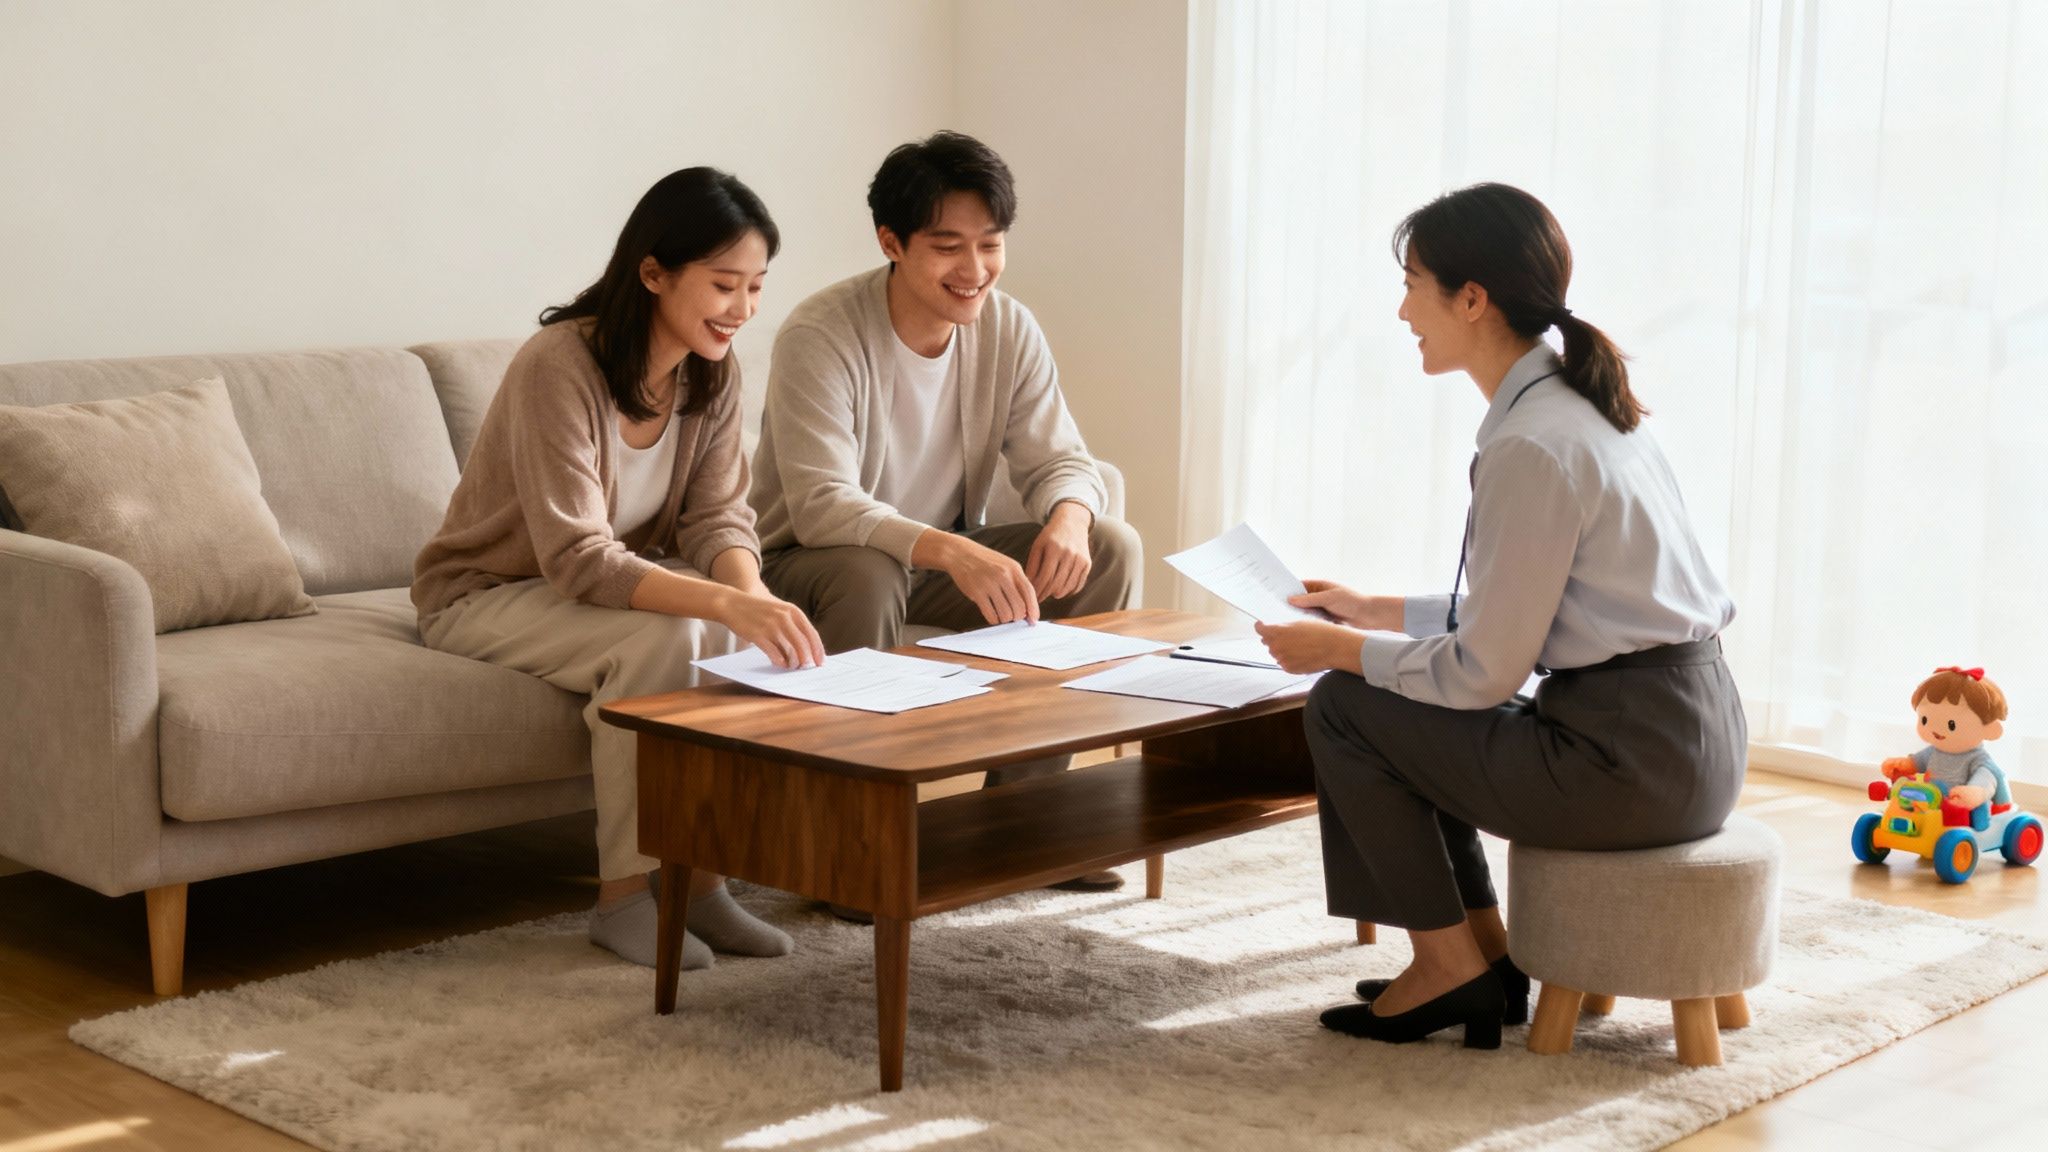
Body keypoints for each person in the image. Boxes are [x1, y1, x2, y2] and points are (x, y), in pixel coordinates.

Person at [1254, 183, 1744, 1048]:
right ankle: (1484, 954)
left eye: (1413, 284)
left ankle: (1449, 969)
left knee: (1345, 703)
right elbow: (1549, 609)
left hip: (1623, 763)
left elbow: (1485, 671)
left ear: (1472, 299)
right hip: (1688, 738)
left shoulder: (1529, 444)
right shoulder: (1584, 406)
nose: (1403, 309)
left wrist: (1341, 646)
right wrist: (1375, 608)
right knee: (1400, 699)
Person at [413, 168, 825, 970]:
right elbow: (577, 557)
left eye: (756, 288)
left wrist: (752, 598)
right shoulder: (558, 366)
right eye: (723, 285)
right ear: (653, 273)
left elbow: (716, 518)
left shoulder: (714, 371)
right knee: (664, 642)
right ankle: (622, 898)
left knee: (734, 634)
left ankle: (702, 888)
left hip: (589, 588)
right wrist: (726, 607)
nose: (741, 310)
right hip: (485, 594)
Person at [749, 131, 1142, 890]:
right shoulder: (819, 333)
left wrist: (1068, 514)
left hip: (925, 566)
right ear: (890, 242)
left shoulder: (1007, 327)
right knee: (868, 573)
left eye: (990, 245)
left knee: (1112, 545)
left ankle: (1024, 821)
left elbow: (1062, 459)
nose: (975, 271)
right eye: (948, 246)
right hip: (806, 566)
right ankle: (847, 850)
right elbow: (823, 505)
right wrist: (953, 551)